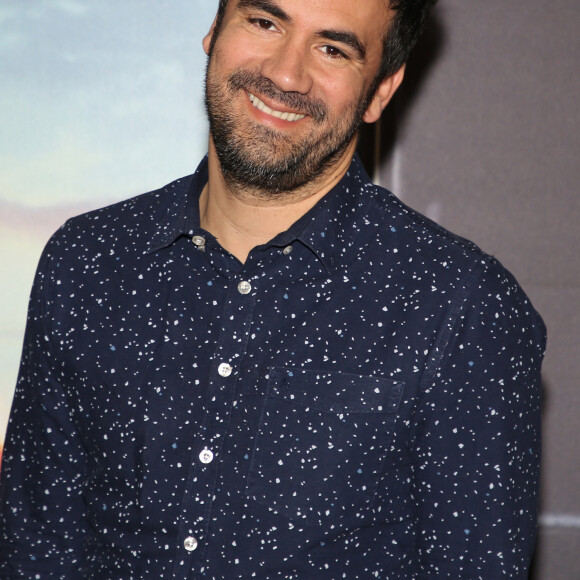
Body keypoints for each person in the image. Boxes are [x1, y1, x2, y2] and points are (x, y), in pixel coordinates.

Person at [0, 0, 546, 578]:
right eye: (265, 22)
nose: (286, 74)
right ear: (214, 30)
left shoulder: (464, 308)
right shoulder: (87, 262)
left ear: (382, 90)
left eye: (332, 49)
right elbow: (36, 553)